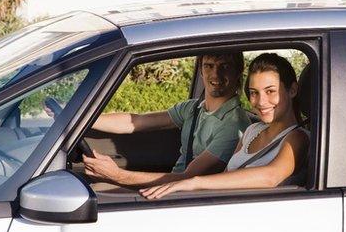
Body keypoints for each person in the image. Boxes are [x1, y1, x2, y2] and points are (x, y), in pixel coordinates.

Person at [139, 53, 310, 199]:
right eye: (253, 93)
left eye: (270, 91)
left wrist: (194, 182)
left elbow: (271, 177)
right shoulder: (252, 131)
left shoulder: (297, 137)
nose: (260, 101)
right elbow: (226, 177)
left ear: (292, 90)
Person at [82, 52, 251, 187]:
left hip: (188, 196)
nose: (216, 74)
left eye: (225, 66)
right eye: (209, 66)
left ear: (238, 72)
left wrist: (117, 176)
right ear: (200, 70)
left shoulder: (234, 125)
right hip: (172, 188)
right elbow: (137, 122)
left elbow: (188, 177)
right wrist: (85, 118)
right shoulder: (192, 108)